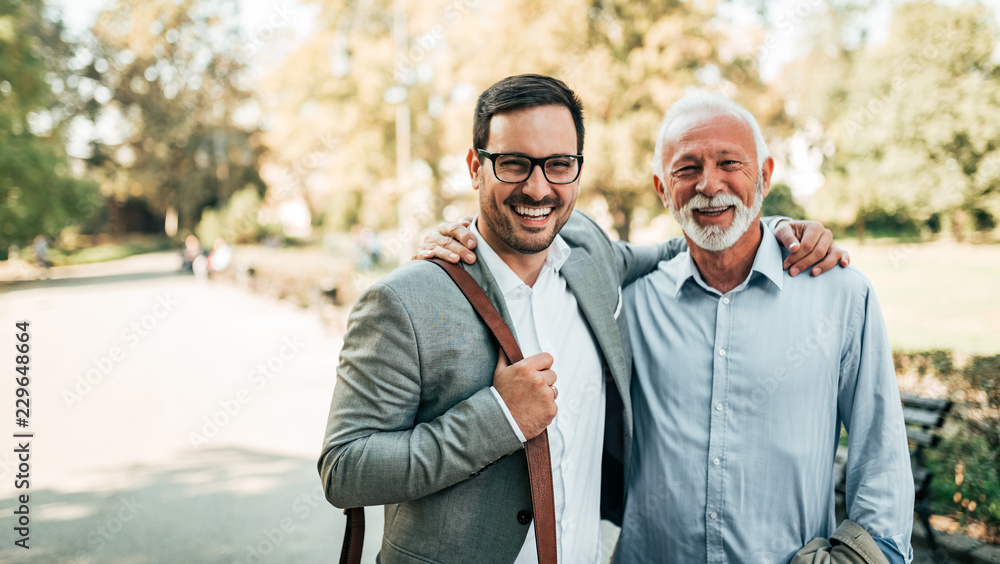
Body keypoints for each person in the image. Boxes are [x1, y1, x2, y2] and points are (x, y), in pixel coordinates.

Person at [322, 74, 844, 564]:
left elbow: (682, 243)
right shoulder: (403, 302)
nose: (538, 188)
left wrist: (777, 228)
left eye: (558, 164)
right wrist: (498, 418)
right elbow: (344, 469)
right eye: (513, 163)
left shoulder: (590, 253)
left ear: (577, 168)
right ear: (475, 166)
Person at [615, 94, 913, 563]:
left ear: (765, 175)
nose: (708, 185)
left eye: (729, 163)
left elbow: (882, 460)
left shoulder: (841, 295)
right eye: (686, 169)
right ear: (661, 187)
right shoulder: (631, 304)